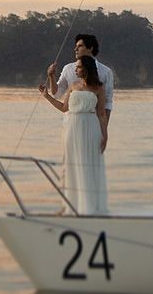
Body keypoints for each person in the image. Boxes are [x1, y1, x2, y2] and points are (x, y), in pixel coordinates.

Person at [41, 53, 109, 215]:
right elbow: (65, 108)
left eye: (78, 66)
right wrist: (47, 97)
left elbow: (101, 114)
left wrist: (105, 135)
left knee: (88, 162)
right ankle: (71, 206)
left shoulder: (99, 88)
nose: (75, 69)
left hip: (91, 127)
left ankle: (90, 206)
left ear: (86, 68)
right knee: (72, 164)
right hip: (73, 126)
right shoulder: (73, 86)